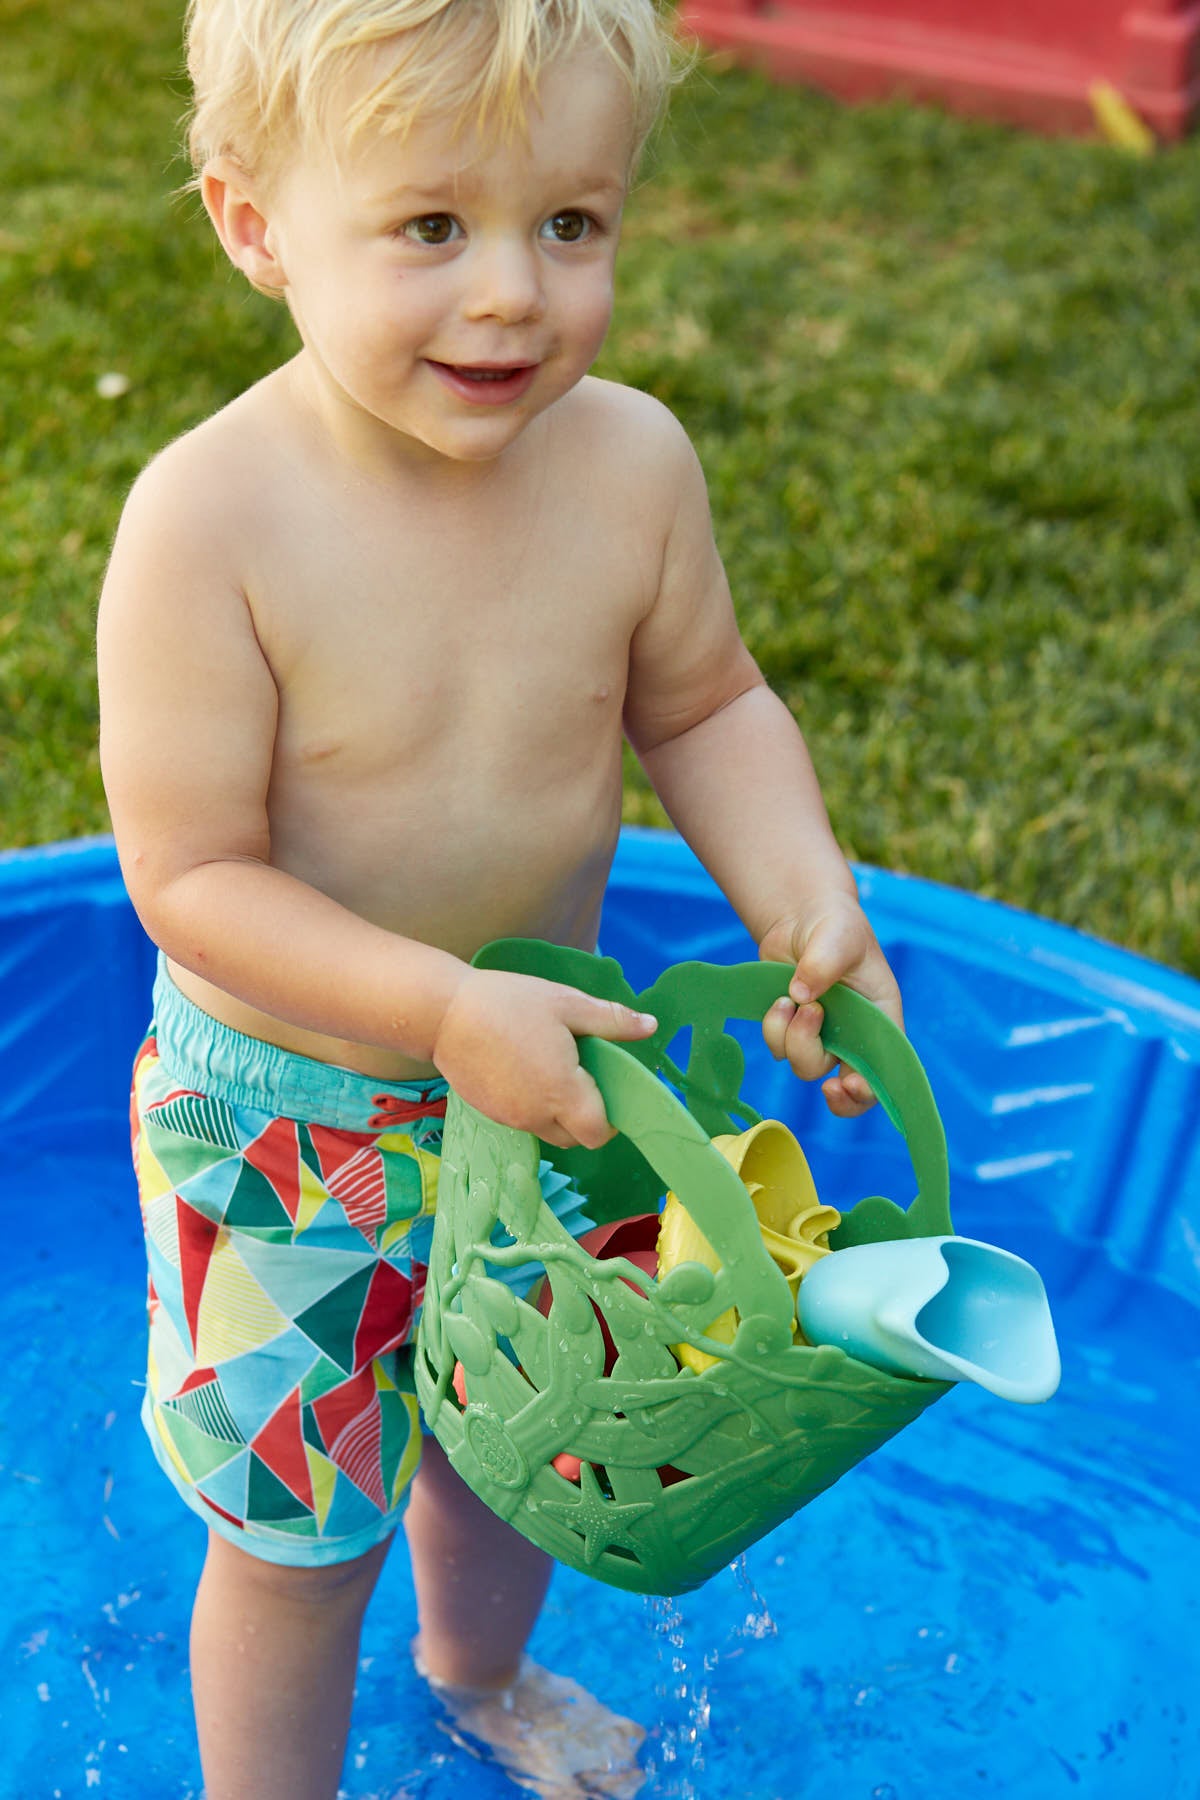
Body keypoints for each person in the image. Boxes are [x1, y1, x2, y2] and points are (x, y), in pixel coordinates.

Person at [96, 0, 903, 1794]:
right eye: (431, 227)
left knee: (530, 1441)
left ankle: (480, 1675)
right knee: (300, 1542)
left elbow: (707, 705)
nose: (512, 297)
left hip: (549, 1097)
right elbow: (193, 878)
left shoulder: (631, 470)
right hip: (291, 1130)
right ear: (253, 227)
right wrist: (448, 1010)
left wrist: (805, 900)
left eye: (570, 224)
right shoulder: (210, 524)